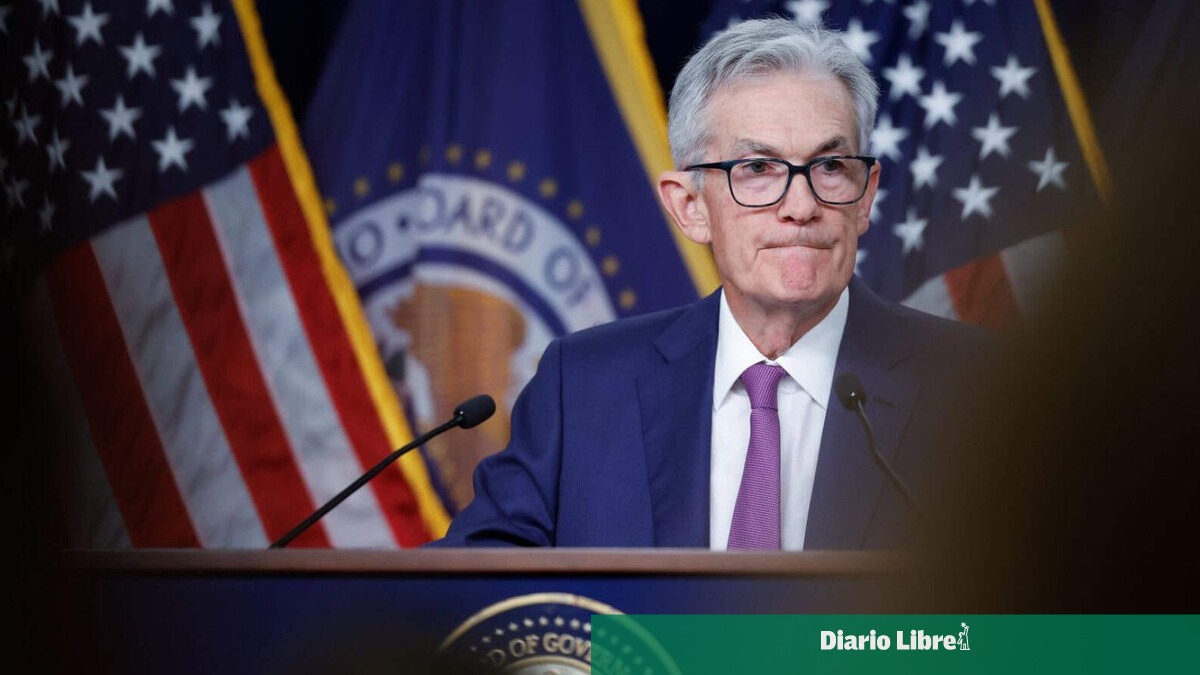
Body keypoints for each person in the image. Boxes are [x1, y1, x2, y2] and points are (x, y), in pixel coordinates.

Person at [431, 18, 990, 550]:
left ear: (865, 197)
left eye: (830, 167)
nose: (801, 206)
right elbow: (472, 589)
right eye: (758, 169)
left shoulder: (981, 391)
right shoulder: (581, 390)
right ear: (690, 207)